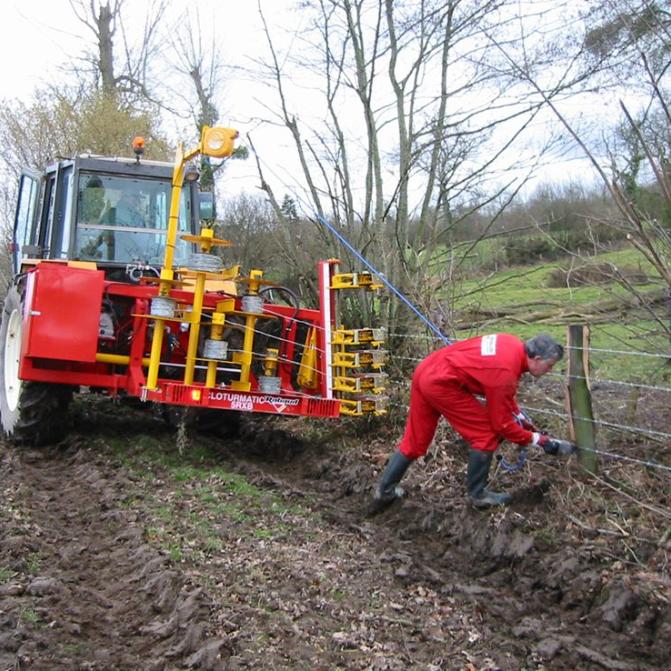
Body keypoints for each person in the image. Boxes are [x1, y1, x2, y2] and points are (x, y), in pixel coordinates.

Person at [372, 333, 574, 511]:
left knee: (416, 441)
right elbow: (501, 424)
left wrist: (519, 417)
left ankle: (385, 490)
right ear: (537, 359)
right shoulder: (505, 373)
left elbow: (504, 396)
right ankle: (478, 494)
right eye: (549, 366)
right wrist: (540, 441)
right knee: (485, 434)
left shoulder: (511, 343)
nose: (550, 370)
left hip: (426, 370)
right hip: (441, 382)